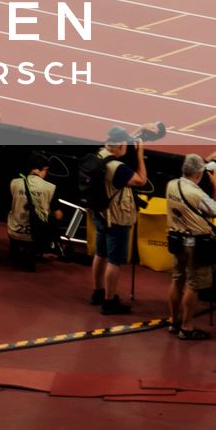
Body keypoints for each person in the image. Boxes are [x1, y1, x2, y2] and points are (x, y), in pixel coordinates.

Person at [87, 128, 147, 315]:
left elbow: (118, 142)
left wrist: (141, 130)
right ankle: (109, 301)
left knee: (100, 253)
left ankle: (98, 292)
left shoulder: (99, 154)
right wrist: (140, 156)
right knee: (114, 260)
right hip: (117, 217)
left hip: (100, 212)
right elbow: (141, 180)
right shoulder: (117, 168)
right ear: (121, 145)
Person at [165, 153, 216, 340]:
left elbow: (192, 174)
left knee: (177, 279)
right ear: (199, 175)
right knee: (193, 285)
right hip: (195, 245)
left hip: (176, 239)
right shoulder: (197, 194)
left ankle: (174, 321)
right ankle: (187, 326)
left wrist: (204, 162)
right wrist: (215, 185)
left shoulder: (171, 185)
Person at [6, 151, 62, 271]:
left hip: (14, 231)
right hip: (36, 235)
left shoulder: (14, 183)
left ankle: (15, 251)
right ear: (44, 169)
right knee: (51, 219)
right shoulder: (50, 187)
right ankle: (41, 251)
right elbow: (58, 215)